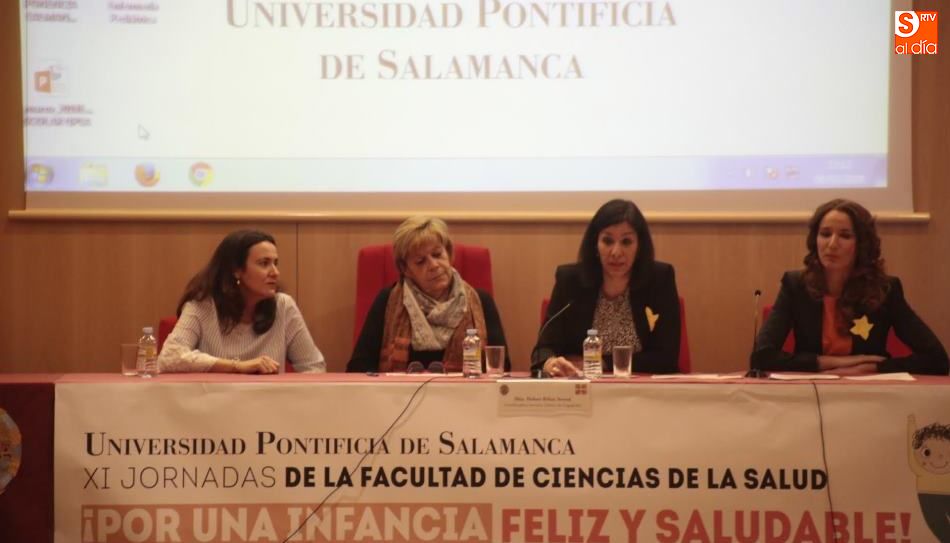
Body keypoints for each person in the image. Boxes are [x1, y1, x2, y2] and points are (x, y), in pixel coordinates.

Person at [750, 199, 948, 375]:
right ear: (814, 240)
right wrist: (834, 363)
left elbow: (937, 359)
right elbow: (761, 357)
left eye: (845, 236)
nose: (832, 244)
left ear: (861, 244)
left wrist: (874, 367)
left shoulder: (885, 289)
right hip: (811, 394)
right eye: (825, 234)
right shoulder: (795, 285)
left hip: (868, 396)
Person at [535, 199, 681, 376]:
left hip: (643, 392)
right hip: (583, 391)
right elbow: (542, 350)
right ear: (595, 244)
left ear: (639, 246)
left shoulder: (659, 279)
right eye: (607, 241)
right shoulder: (571, 281)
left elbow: (666, 358)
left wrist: (600, 363)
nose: (616, 252)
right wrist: (551, 363)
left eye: (626, 242)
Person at [347, 216, 509, 373]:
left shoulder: (481, 301)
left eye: (437, 254)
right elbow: (359, 368)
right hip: (400, 399)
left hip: (467, 398)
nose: (433, 265)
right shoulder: (388, 301)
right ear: (406, 269)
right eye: (420, 261)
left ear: (449, 253)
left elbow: (501, 367)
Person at [158, 230, 325, 373]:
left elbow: (314, 366)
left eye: (275, 263)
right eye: (264, 263)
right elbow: (169, 357)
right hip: (215, 406)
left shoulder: (284, 305)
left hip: (270, 405)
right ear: (236, 270)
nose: (275, 272)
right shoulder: (202, 306)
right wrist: (238, 366)